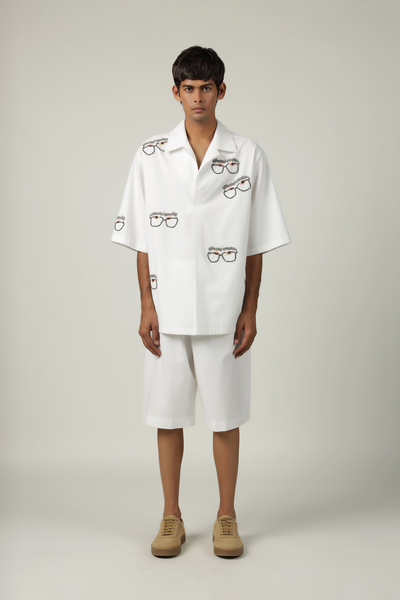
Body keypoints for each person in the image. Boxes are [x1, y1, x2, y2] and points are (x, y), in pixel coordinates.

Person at [111, 46, 291, 558]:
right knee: (167, 416)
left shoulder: (247, 155)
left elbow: (255, 241)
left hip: (223, 309)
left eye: (206, 88)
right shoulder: (150, 155)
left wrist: (250, 309)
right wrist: (146, 305)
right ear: (176, 92)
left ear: (221, 91)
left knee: (225, 416)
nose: (197, 98)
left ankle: (226, 516)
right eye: (188, 88)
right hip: (167, 311)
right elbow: (143, 238)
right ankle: (171, 515)